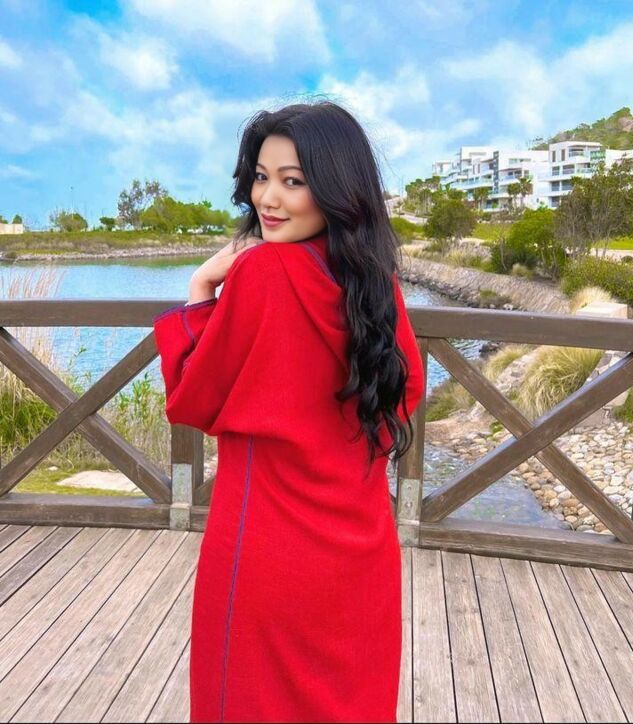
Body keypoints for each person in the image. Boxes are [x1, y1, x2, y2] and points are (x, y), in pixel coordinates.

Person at [152, 100, 425, 723]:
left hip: (266, 543)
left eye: (292, 181)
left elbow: (193, 398)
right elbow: (405, 393)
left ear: (335, 189)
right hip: (359, 547)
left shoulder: (263, 272)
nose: (268, 199)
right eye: (260, 177)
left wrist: (200, 290)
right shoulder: (374, 281)